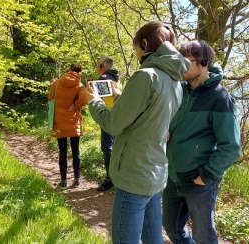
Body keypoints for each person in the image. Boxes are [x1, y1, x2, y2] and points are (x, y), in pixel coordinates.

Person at [85, 20, 190, 244]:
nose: (135, 54)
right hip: (155, 172)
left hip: (133, 175)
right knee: (153, 240)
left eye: (136, 48)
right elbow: (148, 118)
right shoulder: (175, 81)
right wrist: (121, 97)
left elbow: (112, 123)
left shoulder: (146, 76)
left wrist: (93, 100)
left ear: (144, 43)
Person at [162, 40, 241, 244]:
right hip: (173, 176)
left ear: (203, 62)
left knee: (203, 237)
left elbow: (230, 146)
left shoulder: (220, 97)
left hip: (199, 181)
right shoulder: (179, 89)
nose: (181, 66)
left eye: (186, 61)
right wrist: (166, 130)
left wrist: (206, 176)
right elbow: (171, 120)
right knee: (171, 228)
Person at [48, 63, 87, 188]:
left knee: (62, 151)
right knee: (76, 151)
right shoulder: (80, 85)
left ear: (69, 70)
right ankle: (77, 179)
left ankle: (63, 181)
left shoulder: (57, 83)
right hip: (74, 121)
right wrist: (75, 105)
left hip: (59, 120)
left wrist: (52, 86)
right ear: (79, 73)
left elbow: (50, 99)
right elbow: (84, 100)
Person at [95, 56, 121, 191]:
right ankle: (119, 176)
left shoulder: (103, 78)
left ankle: (110, 178)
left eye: (97, 65)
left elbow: (98, 100)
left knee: (107, 148)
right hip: (120, 115)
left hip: (108, 117)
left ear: (101, 66)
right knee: (118, 147)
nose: (96, 68)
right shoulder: (117, 77)